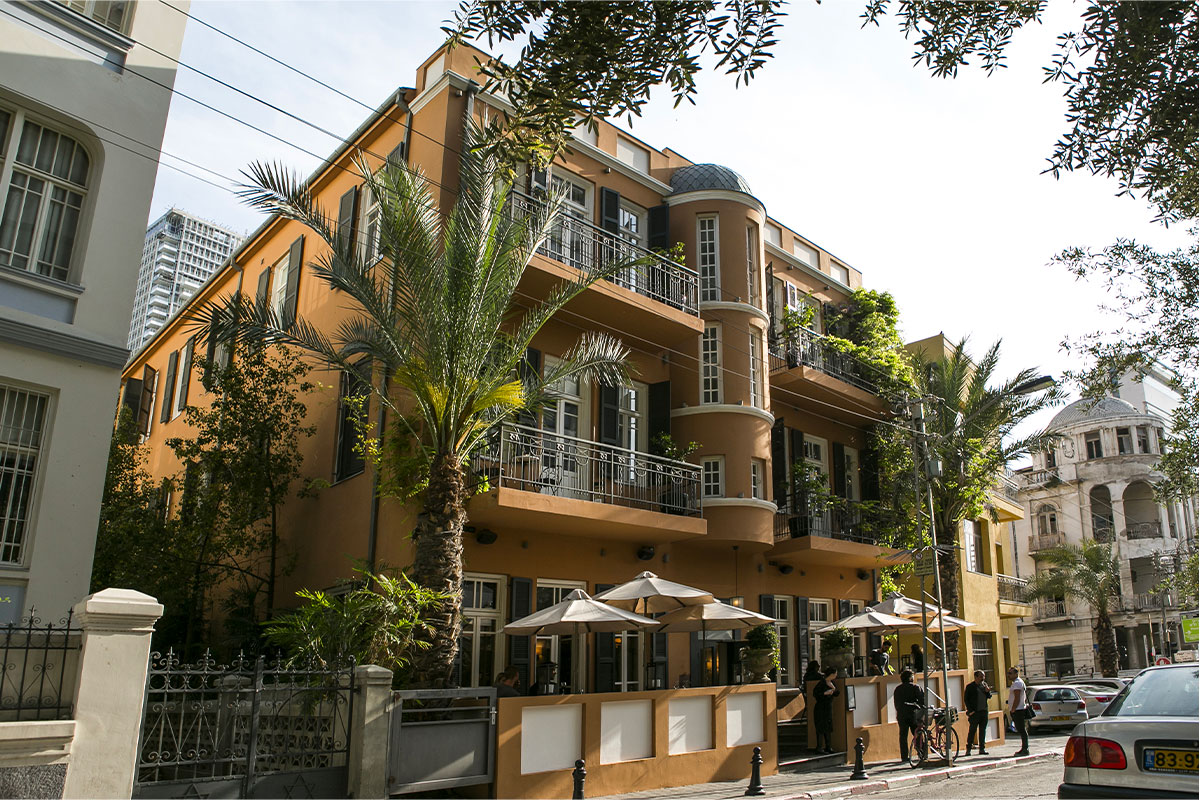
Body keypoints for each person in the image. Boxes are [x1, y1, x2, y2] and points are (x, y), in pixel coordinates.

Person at [892, 668, 924, 764]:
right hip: (913, 714)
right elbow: (922, 701)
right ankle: (920, 752)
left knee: (903, 735)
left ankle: (904, 756)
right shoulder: (915, 687)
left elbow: (896, 703)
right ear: (910, 678)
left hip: (901, 715)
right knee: (917, 733)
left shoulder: (897, 689)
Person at [811, 666, 840, 754]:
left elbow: (837, 693)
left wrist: (833, 691)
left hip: (828, 707)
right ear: (831, 674)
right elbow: (815, 694)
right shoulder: (821, 683)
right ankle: (819, 747)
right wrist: (825, 693)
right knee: (820, 726)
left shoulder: (832, 682)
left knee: (828, 726)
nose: (836, 675)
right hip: (821, 707)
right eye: (835, 674)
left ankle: (828, 746)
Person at [963, 670, 992, 755]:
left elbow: (989, 696)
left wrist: (987, 691)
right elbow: (966, 699)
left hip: (984, 711)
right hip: (975, 712)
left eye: (983, 676)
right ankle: (968, 749)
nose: (982, 678)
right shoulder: (970, 687)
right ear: (976, 677)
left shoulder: (984, 685)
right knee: (972, 730)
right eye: (981, 676)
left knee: (983, 731)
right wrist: (970, 710)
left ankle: (982, 748)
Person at [1006, 666, 1030, 756]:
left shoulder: (1017, 683)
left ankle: (1025, 749)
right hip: (1019, 709)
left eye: (1010, 673)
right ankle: (1024, 748)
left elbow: (1017, 697)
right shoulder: (1017, 683)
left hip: (1018, 710)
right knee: (1021, 729)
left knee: (1021, 729)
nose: (1009, 675)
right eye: (1008, 673)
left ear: (1016, 674)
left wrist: (1013, 709)